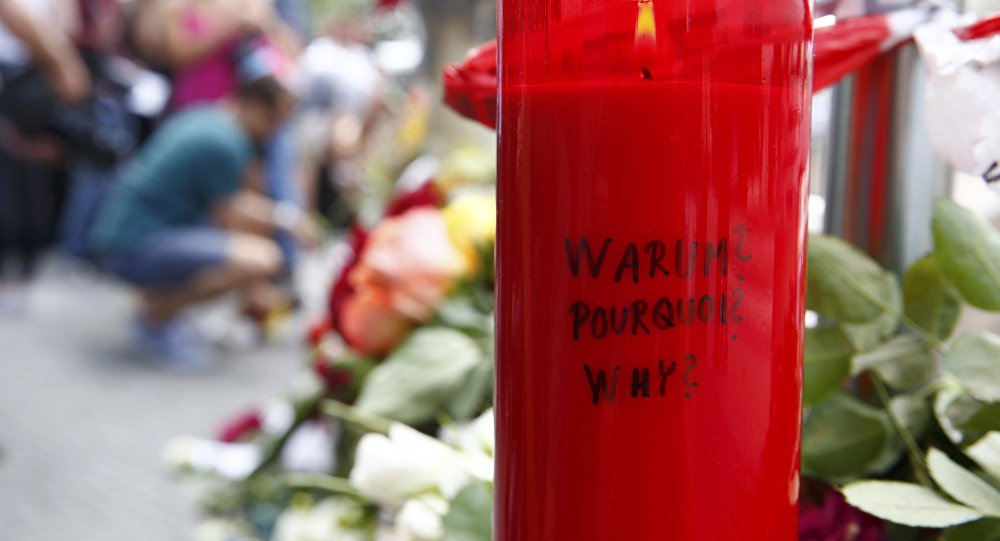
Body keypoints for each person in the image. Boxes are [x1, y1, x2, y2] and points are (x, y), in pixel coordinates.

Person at [89, 74, 317, 366]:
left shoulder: (207, 119)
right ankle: (155, 318)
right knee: (262, 258)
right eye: (277, 120)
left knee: (247, 250)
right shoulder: (225, 142)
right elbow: (233, 214)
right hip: (135, 243)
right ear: (258, 108)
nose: (277, 131)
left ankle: (155, 306)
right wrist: (289, 222)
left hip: (121, 234)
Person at [0, 0, 90, 312]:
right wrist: (62, 63)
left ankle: (22, 274)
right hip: (19, 81)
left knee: (35, 185)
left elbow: (67, 24)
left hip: (35, 84)